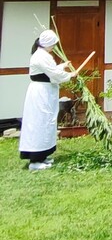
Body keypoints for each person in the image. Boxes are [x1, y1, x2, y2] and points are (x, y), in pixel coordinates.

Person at [19, 29, 76, 170]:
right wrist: (70, 75)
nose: (54, 47)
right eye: (53, 44)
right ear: (48, 44)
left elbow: (50, 70)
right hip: (40, 93)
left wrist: (62, 66)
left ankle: (42, 155)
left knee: (46, 123)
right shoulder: (40, 56)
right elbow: (53, 73)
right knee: (39, 123)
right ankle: (35, 160)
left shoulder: (43, 55)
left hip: (45, 92)